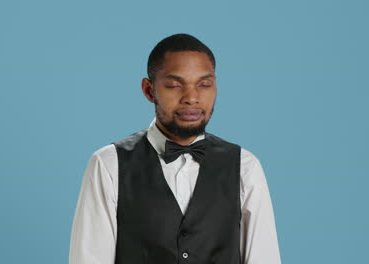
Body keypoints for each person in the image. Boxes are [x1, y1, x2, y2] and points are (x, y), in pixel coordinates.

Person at [69, 33, 281, 264]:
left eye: (204, 85)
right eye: (174, 85)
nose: (191, 98)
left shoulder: (245, 166)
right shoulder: (109, 164)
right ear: (149, 90)